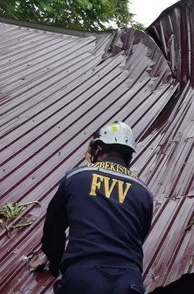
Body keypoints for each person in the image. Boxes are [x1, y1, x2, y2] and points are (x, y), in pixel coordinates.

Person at [42, 121, 154, 294]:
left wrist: (55, 265)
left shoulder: (75, 178)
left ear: (99, 149)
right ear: (129, 156)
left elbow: (53, 231)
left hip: (83, 277)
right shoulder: (144, 192)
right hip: (129, 282)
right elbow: (139, 237)